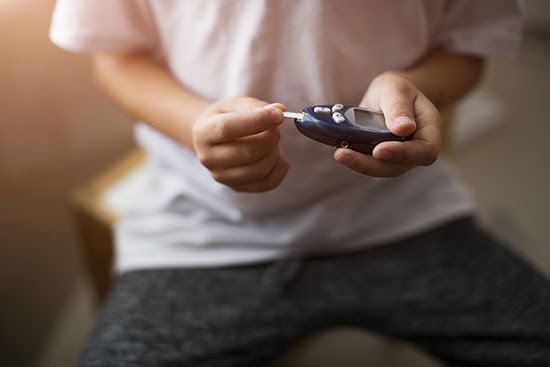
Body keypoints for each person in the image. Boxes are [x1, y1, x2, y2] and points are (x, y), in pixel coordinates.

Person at [50, 1, 550, 366]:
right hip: (203, 232)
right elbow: (114, 59)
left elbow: (468, 45)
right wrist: (194, 123)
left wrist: (420, 90)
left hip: (400, 214)